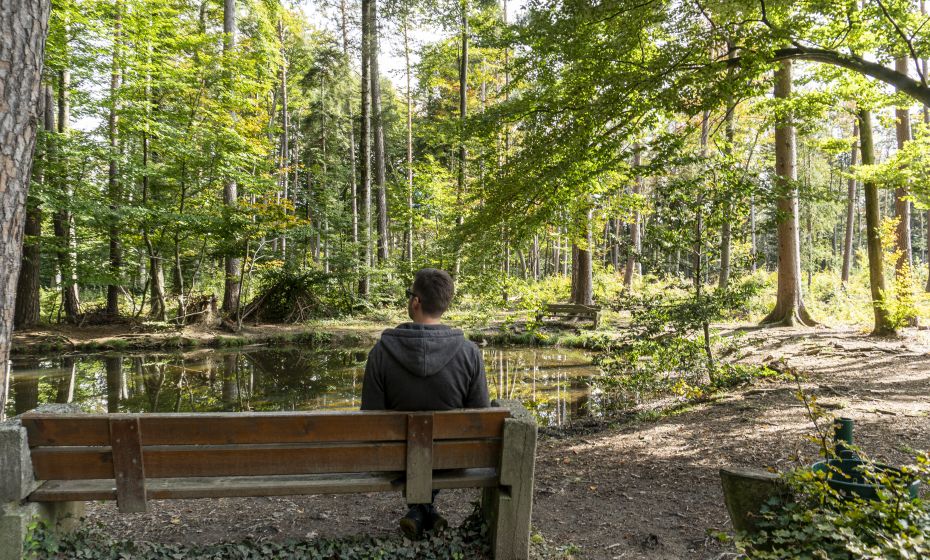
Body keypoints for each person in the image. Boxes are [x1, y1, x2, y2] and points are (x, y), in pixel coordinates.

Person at [361, 268, 489, 539]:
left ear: (416, 302)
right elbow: (480, 417)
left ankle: (419, 510)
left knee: (409, 448)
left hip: (393, 459)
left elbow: (370, 417)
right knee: (436, 448)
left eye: (410, 295)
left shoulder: (381, 351)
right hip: (453, 458)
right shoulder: (469, 353)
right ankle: (425, 509)